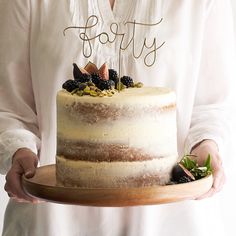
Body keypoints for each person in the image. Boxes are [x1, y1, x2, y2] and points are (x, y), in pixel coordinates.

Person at [0, 0, 235, 235]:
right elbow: (9, 106)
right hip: (52, 220)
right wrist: (19, 151)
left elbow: (212, 103)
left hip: (171, 220)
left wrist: (206, 144)